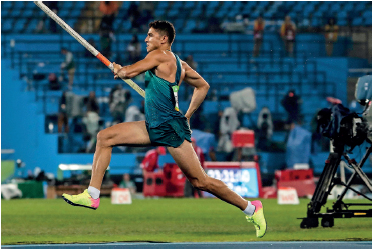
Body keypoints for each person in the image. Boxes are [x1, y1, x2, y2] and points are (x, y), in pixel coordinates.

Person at [61, 20, 266, 238]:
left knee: (200, 181)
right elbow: (203, 85)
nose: (146, 39)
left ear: (163, 39)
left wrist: (120, 70)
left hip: (168, 128)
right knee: (105, 137)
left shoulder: (159, 55)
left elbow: (129, 72)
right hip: (154, 125)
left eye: (150, 35)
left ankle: (252, 208)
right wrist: (187, 115)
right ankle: (92, 194)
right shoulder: (181, 64)